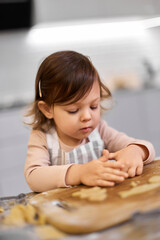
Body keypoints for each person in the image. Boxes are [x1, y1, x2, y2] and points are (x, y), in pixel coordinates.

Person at [24, 50, 155, 192]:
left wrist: (136, 150)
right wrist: (79, 173)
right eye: (73, 110)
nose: (87, 117)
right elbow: (33, 177)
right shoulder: (42, 137)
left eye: (93, 106)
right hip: (64, 210)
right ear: (47, 109)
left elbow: (147, 147)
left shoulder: (100, 130)